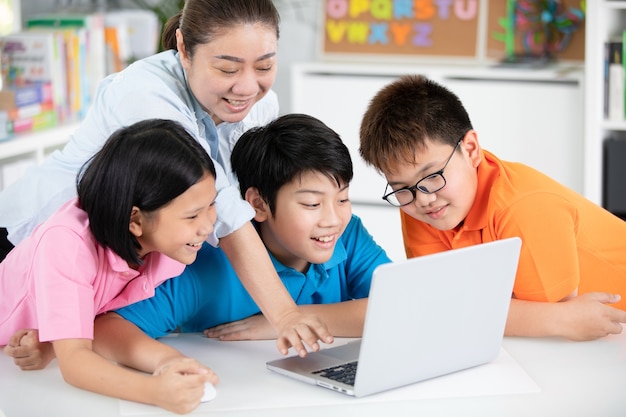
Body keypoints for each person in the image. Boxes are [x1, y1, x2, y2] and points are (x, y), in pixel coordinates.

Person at [0, 0, 331, 357]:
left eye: (265, 65)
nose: (247, 87)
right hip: (28, 243)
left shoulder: (260, 106)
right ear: (184, 49)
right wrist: (284, 314)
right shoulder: (146, 93)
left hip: (114, 264)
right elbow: (224, 208)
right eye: (227, 68)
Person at [358, 74, 626, 342]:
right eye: (402, 188)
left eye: (431, 176)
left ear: (472, 149)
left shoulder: (522, 205)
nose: (422, 199)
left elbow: (555, 320)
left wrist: (464, 307)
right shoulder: (423, 203)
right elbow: (441, 300)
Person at [96, 113, 391, 345]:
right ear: (258, 204)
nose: (333, 219)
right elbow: (108, 330)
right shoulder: (207, 265)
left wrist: (286, 319)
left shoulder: (347, 234)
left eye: (343, 199)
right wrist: (164, 363)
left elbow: (399, 307)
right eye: (312, 204)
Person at [1, 119, 219, 414]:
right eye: (192, 216)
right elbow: (75, 363)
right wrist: (154, 392)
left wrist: (168, 361)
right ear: (136, 220)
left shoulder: (169, 250)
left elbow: (103, 320)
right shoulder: (67, 244)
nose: (208, 226)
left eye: (211, 205)